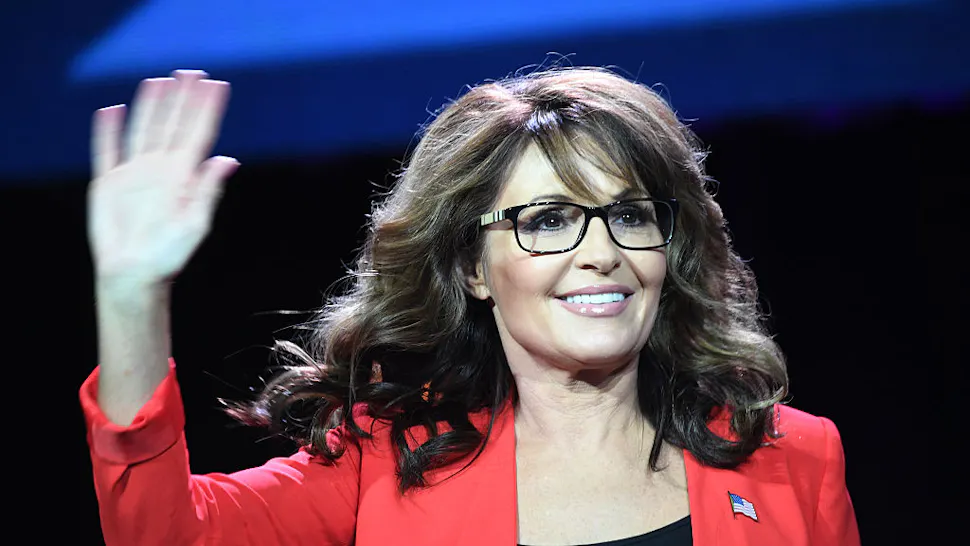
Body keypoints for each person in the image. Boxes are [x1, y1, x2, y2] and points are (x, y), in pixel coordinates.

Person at [81, 66, 860, 546]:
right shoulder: (385, 464)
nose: (603, 251)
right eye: (548, 220)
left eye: (631, 214)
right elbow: (163, 531)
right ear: (472, 268)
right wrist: (130, 295)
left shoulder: (793, 458)